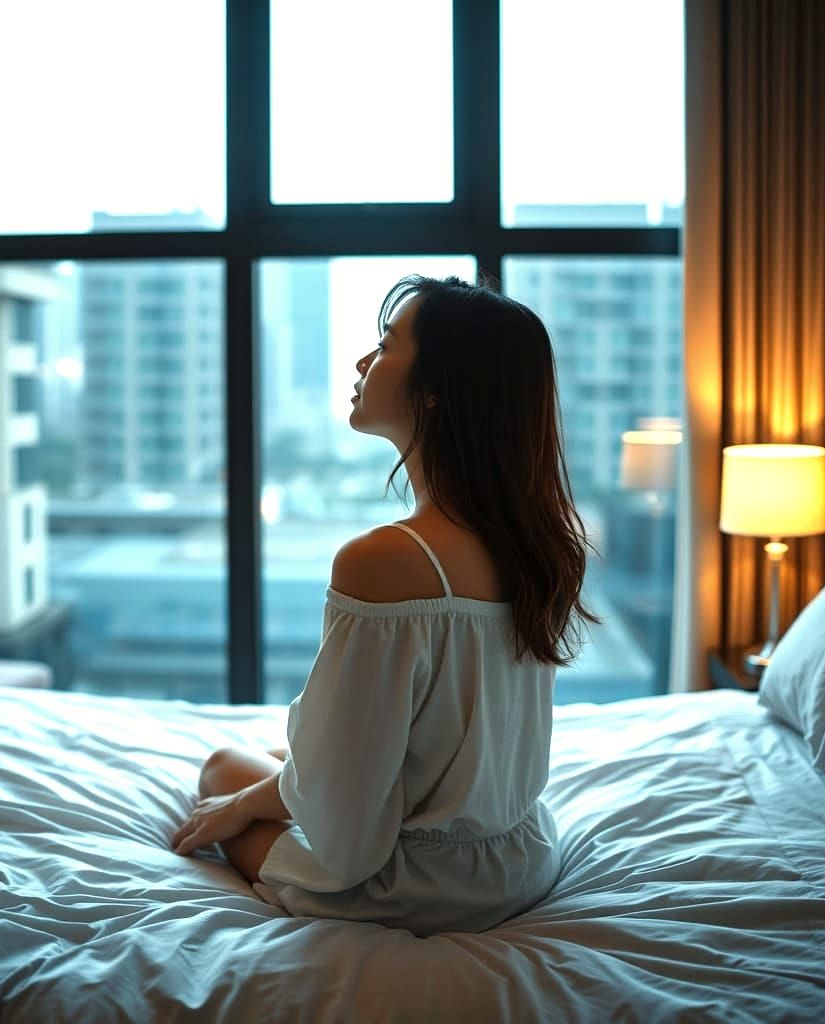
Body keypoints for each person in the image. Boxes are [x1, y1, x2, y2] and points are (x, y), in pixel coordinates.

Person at [171, 274, 598, 936]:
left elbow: (348, 842)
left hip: (424, 888)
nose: (363, 362)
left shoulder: (386, 560)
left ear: (437, 389)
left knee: (224, 768)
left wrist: (244, 806)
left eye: (386, 344)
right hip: (522, 860)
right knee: (284, 768)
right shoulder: (532, 541)